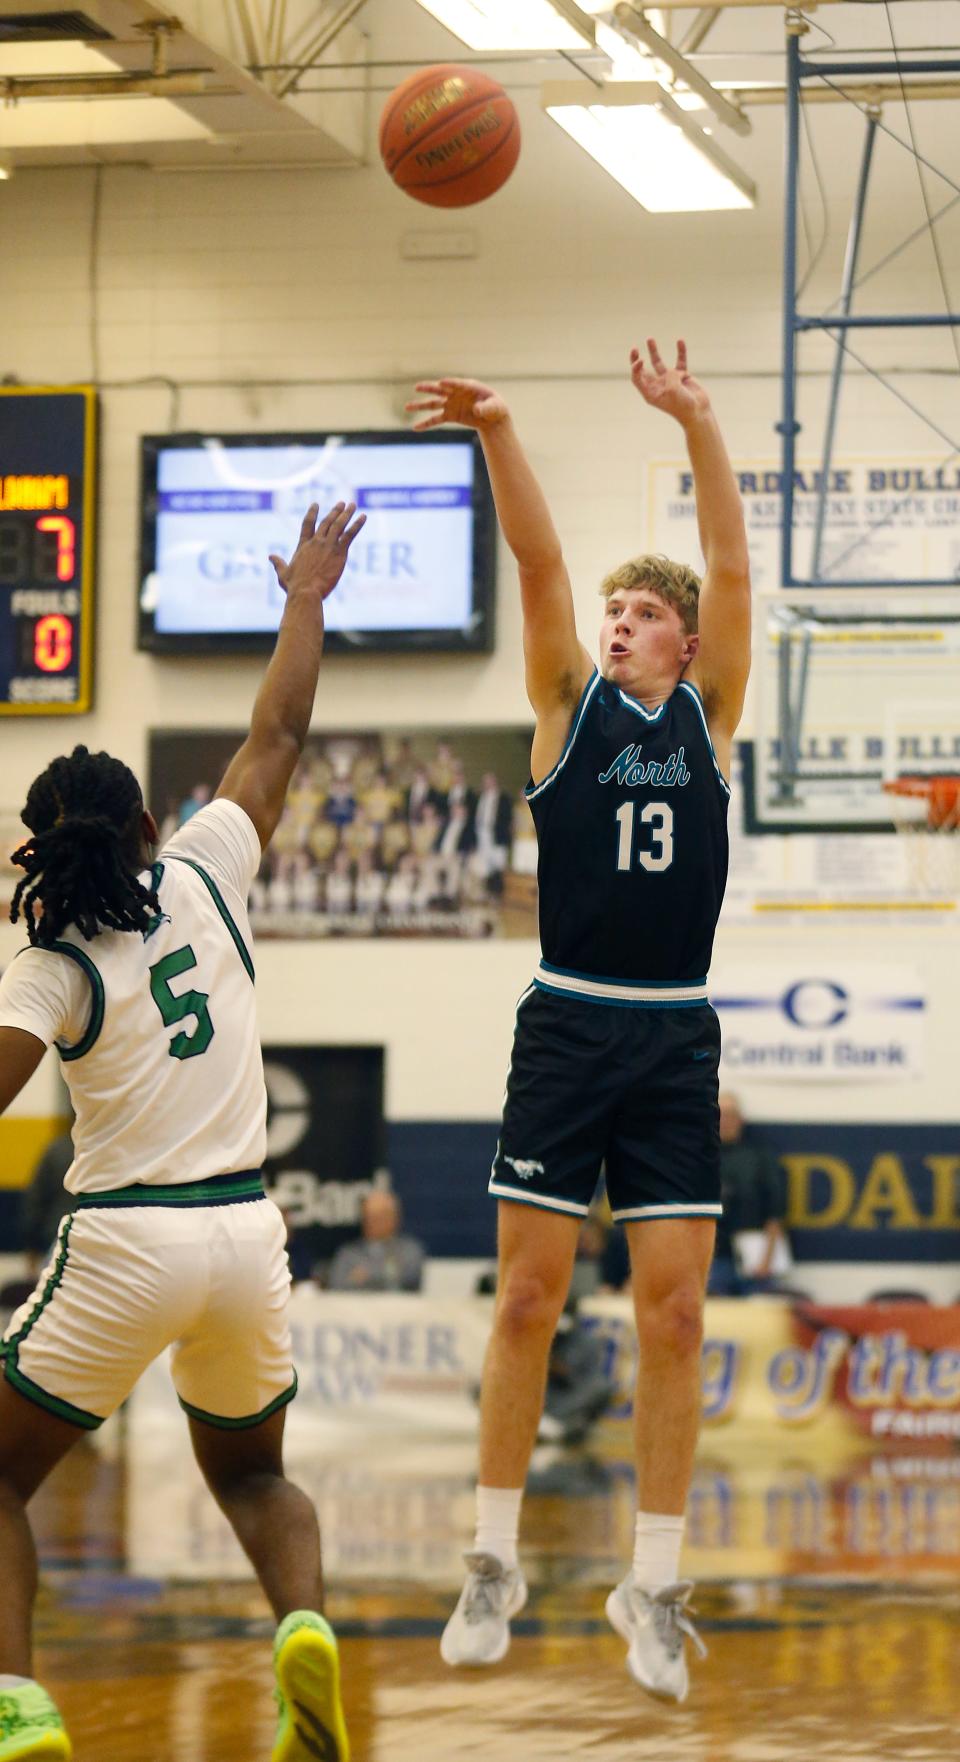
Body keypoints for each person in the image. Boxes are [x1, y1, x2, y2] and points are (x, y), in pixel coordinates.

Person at [409, 339, 750, 1703]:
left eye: (640, 615)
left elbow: (732, 569)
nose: (617, 624)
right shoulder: (566, 708)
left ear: (681, 641)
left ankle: (652, 1582)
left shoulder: (713, 712)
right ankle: (494, 1557)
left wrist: (700, 424)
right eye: (613, 613)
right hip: (567, 1021)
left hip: (672, 1034)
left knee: (673, 1318)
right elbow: (541, 569)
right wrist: (499, 429)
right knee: (534, 1298)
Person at [0, 499, 366, 1762]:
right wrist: (306, 597)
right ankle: (303, 1638)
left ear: (39, 857)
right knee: (257, 1479)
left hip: (126, 1239)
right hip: (246, 1235)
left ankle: (21, 1710)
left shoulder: (49, 962)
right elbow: (279, 728)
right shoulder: (208, 863)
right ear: (150, 827)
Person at [709, 1092, 787, 1295]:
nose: (725, 1121)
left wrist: (767, 1259)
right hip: (713, 1257)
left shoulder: (760, 1156)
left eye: (730, 1115)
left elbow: (776, 1211)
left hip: (755, 1257)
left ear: (740, 1119)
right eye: (720, 1114)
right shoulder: (702, 1157)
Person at [326, 1190, 425, 1293]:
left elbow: (410, 1279)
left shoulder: (411, 1251)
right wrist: (387, 1276)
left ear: (395, 1218)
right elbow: (337, 1286)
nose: (372, 1222)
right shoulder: (348, 1254)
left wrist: (364, 1277)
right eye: (368, 1216)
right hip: (358, 1308)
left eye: (379, 1216)